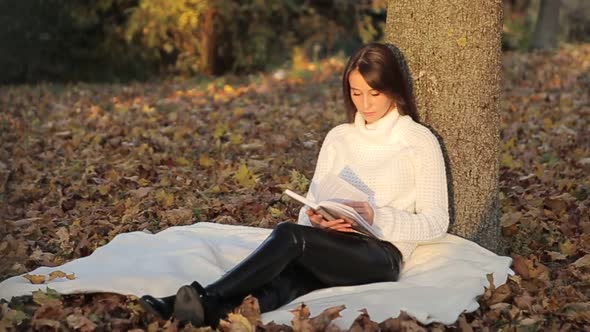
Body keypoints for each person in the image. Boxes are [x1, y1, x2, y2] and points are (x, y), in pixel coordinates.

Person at [139, 42, 450, 327]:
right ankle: (207, 313)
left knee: (289, 235)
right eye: (356, 93)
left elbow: (437, 221)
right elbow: (312, 204)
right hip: (331, 244)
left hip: (380, 255)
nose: (365, 104)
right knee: (290, 280)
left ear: (394, 90)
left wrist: (375, 217)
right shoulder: (339, 138)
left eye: (374, 93)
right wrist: (315, 220)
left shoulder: (417, 141)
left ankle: (202, 296)